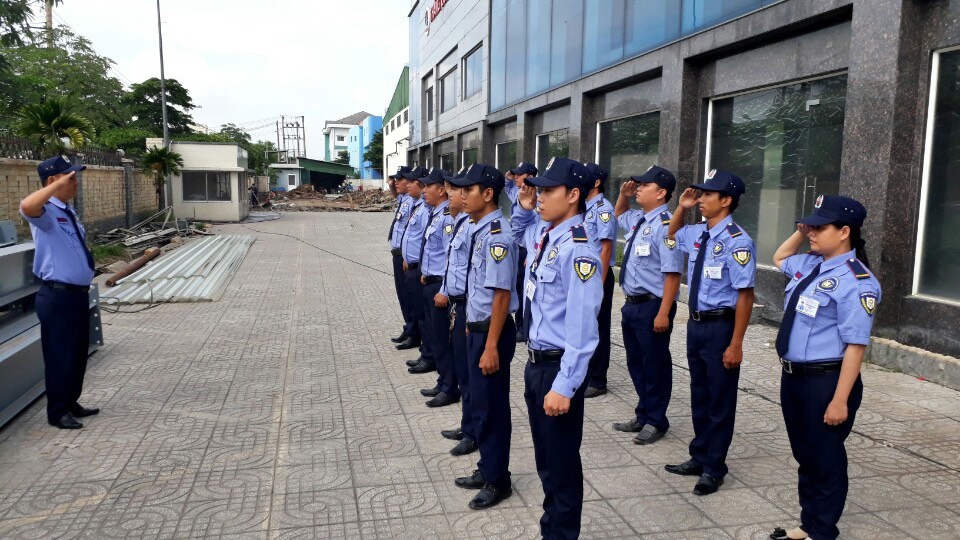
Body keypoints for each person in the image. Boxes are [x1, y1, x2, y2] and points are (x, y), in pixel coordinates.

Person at [769, 195, 880, 540]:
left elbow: (856, 346)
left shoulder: (857, 281)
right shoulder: (810, 264)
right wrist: (802, 232)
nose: (812, 232)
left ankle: (822, 530)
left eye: (820, 227)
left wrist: (840, 400)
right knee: (806, 454)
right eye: (810, 226)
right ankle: (809, 523)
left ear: (845, 231)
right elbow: (779, 258)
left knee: (825, 458)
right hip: (794, 378)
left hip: (827, 382)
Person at [514, 157, 602, 539]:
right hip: (537, 365)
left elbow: (583, 330)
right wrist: (523, 205)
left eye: (549, 190)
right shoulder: (547, 236)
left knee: (562, 467)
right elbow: (517, 231)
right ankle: (551, 531)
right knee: (547, 463)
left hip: (556, 369)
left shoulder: (578, 250)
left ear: (573, 195)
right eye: (540, 189)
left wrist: (565, 385)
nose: (540, 196)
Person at [665, 169, 756, 496]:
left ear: (726, 200)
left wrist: (736, 343)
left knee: (720, 398)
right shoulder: (698, 232)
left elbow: (745, 296)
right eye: (700, 194)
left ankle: (714, 468)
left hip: (721, 327)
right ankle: (699, 455)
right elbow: (672, 234)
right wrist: (682, 206)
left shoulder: (738, 241)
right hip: (696, 324)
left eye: (707, 194)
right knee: (700, 393)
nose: (701, 199)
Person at [450, 163, 518, 510]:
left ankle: (498, 480)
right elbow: (478, 288)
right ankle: (487, 467)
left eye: (468, 190)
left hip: (493, 333)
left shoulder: (497, 237)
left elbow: (502, 296)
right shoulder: (479, 229)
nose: (461, 196)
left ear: (488, 194)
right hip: (478, 329)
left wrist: (490, 345)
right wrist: (469, 323)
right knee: (481, 404)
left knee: (492, 408)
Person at [19, 156, 99, 430]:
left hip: (76, 294)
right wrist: (53, 187)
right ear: (53, 181)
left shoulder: (67, 211)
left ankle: (71, 401)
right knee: (60, 354)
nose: (76, 183)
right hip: (57, 296)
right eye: (71, 178)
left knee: (77, 353)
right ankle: (57, 411)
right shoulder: (44, 212)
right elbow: (26, 206)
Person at [611, 166, 682, 445]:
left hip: (653, 306)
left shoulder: (666, 225)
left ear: (661, 193)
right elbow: (619, 215)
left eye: (644, 185)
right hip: (632, 305)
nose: (638, 188)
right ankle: (643, 413)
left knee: (655, 365)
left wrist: (664, 312)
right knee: (636, 363)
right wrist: (623, 195)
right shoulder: (640, 219)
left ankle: (656, 420)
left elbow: (673, 274)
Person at [437, 168, 480, 456]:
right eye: (454, 189)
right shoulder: (462, 223)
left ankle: (474, 432)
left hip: (469, 307)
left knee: (472, 377)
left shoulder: (477, 227)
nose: (454, 195)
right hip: (459, 305)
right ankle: (468, 425)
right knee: (464, 373)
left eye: (459, 189)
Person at [416, 168, 460, 406]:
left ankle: (449, 387)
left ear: (441, 189)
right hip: (430, 282)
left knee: (443, 339)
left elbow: (448, 259)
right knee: (435, 337)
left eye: (428, 186)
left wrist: (444, 289)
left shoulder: (446, 218)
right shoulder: (435, 213)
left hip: (440, 288)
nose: (423, 190)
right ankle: (443, 381)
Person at [580, 163, 617, 398]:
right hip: (583, 274)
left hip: (598, 275)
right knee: (584, 325)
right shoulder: (584, 208)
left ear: (595, 183)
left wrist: (599, 285)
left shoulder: (604, 209)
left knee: (598, 327)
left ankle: (597, 379)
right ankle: (585, 372)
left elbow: (606, 249)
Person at [401, 168, 435, 370]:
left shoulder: (427, 211)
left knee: (426, 318)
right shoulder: (417, 206)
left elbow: (427, 243)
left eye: (411, 182)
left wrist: (420, 266)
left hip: (424, 271)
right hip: (416, 268)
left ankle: (429, 356)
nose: (406, 184)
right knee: (422, 315)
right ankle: (426, 352)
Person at [504, 162, 537, 342]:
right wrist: (508, 176)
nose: (516, 177)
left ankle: (524, 326)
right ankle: (519, 325)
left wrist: (533, 253)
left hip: (529, 248)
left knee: (525, 288)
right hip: (519, 246)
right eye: (515, 174)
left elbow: (540, 230)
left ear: (530, 177)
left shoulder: (537, 200)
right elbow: (507, 187)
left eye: (520, 174)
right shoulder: (518, 194)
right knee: (517, 286)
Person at [388, 166, 417, 347]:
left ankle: (414, 332)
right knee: (402, 295)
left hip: (405, 257)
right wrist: (391, 184)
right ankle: (409, 327)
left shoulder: (413, 202)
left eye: (400, 179)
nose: (396, 182)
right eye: (396, 179)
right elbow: (395, 194)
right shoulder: (404, 199)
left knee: (409, 296)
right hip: (398, 254)